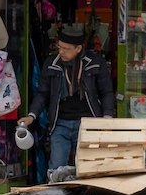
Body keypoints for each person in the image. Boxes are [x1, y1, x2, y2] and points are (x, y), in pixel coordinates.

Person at [41, 24, 113, 177]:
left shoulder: (95, 62)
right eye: (59, 47)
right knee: (56, 171)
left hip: (87, 123)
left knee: (88, 169)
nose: (61, 52)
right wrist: (32, 115)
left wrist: (107, 117)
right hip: (60, 123)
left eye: (66, 49)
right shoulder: (52, 64)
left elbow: (106, 92)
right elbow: (42, 93)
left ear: (78, 49)